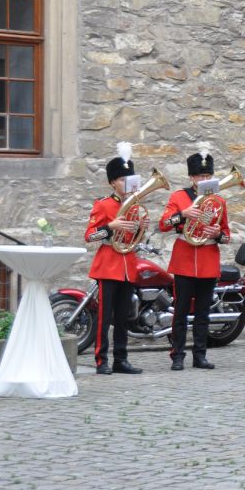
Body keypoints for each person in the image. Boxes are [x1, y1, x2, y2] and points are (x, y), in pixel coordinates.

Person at [158, 147, 230, 371]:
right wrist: (183, 214)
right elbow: (163, 224)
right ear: (192, 177)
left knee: (203, 312)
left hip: (208, 258)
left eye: (208, 176)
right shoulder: (179, 197)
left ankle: (200, 355)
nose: (204, 179)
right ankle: (177, 355)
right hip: (185, 258)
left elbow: (226, 235)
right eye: (200, 176)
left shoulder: (218, 201)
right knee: (180, 311)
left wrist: (217, 234)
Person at [84, 141, 146, 376]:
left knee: (123, 316)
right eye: (122, 180)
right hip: (108, 263)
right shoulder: (103, 204)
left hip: (127, 264)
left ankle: (121, 359)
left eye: (128, 180)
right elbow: (90, 235)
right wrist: (110, 226)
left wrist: (142, 226)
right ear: (112, 182)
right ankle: (101, 360)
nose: (126, 184)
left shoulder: (135, 206)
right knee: (104, 316)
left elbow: (136, 238)